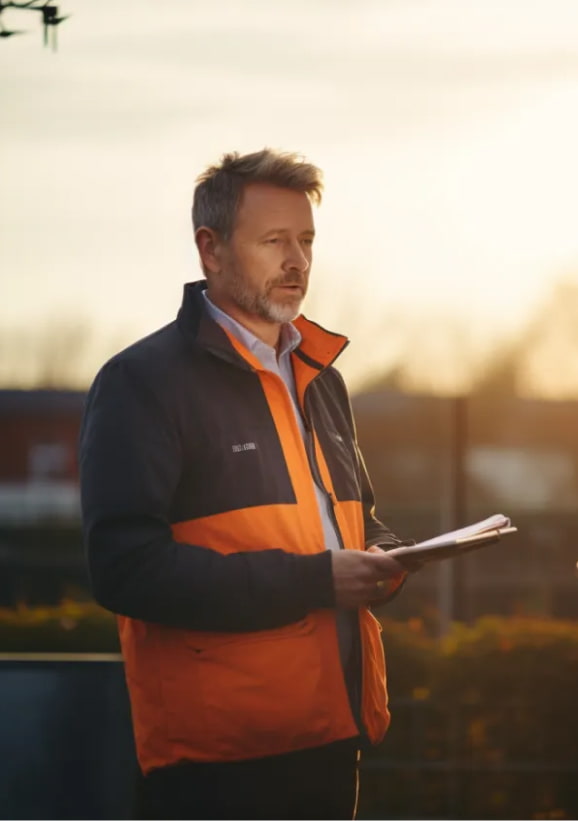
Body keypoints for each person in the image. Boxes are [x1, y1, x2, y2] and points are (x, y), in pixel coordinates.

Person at [79, 149, 411, 820]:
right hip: (217, 759)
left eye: (307, 240)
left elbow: (355, 520)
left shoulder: (323, 379)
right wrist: (315, 579)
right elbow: (124, 570)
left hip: (333, 732)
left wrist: (387, 556)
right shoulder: (141, 383)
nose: (297, 260)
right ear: (211, 249)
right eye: (273, 241)